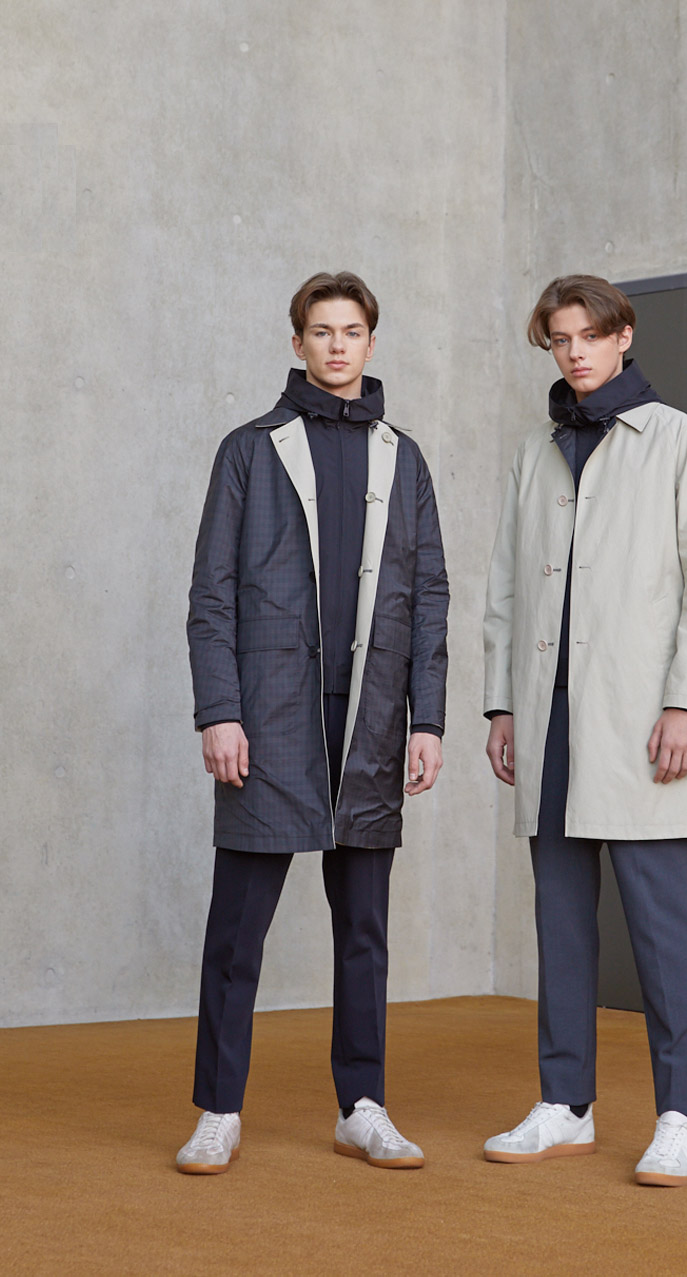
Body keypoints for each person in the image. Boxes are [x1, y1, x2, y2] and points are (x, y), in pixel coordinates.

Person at [176, 271, 448, 1174]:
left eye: (352, 330)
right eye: (321, 331)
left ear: (372, 341)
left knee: (364, 930)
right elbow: (211, 593)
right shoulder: (250, 451)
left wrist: (427, 719)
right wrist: (220, 711)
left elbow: (430, 597)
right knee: (237, 932)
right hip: (270, 719)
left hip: (370, 723)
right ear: (297, 343)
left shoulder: (405, 459)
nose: (337, 345)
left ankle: (362, 1106)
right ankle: (218, 1107)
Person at [482, 275, 687, 1186]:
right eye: (560, 339)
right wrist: (503, 704)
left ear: (624, 335)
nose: (575, 352)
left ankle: (680, 1115)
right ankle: (566, 1103)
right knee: (561, 924)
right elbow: (506, 589)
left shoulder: (679, 439)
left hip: (641, 719)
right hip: (549, 719)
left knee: (664, 930)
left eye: (590, 334)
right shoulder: (536, 450)